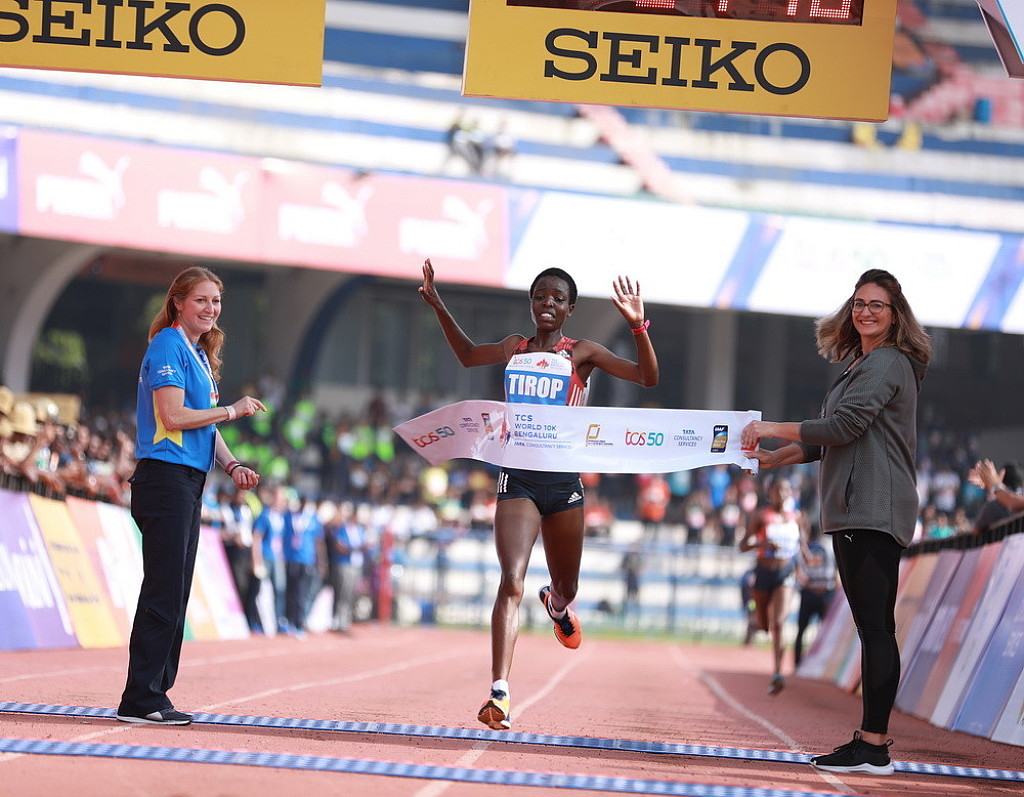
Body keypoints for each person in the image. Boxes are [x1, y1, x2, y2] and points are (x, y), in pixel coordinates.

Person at [419, 257, 658, 731]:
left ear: (570, 309)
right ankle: (499, 692)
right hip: (518, 480)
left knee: (567, 586)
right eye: (540, 296)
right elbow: (467, 354)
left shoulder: (582, 353)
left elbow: (647, 377)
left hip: (564, 484)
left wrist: (638, 326)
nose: (548, 303)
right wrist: (437, 304)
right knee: (511, 580)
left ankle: (558, 604)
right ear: (531, 304)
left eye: (557, 298)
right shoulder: (515, 347)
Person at [740, 268, 930, 776]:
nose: (865, 311)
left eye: (876, 305)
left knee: (876, 629)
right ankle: (870, 744)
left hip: (872, 509)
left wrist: (771, 427)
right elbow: (835, 436)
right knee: (873, 628)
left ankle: (873, 747)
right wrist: (779, 456)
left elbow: (844, 427)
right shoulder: (864, 363)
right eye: (859, 303)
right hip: (857, 508)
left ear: (895, 314)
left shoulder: (886, 363)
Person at [117, 266, 266, 726]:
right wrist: (232, 410)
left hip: (188, 481)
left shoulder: (198, 352)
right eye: (201, 300)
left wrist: (233, 465)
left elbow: (206, 426)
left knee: (176, 590)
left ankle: (155, 694)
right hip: (164, 477)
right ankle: (140, 698)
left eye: (216, 301)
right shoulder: (167, 344)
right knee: (164, 588)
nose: (210, 308)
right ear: (178, 302)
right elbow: (175, 416)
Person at [738, 476, 804, 695]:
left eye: (786, 490)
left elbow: (802, 546)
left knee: (779, 623)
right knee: (764, 626)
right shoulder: (760, 516)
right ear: (770, 494)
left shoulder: (797, 517)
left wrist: (807, 562)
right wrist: (763, 543)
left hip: (784, 573)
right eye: (778, 490)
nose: (782, 495)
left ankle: (777, 673)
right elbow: (742, 546)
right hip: (763, 573)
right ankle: (755, 621)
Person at [793, 524, 837, 668]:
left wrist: (808, 585)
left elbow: (798, 572)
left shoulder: (804, 550)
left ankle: (797, 662)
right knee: (826, 630)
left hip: (808, 593)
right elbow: (836, 572)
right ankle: (824, 661)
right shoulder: (829, 548)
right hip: (825, 592)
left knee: (801, 629)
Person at [968, 459, 1024, 532]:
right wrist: (994, 487)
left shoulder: (994, 505)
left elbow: (976, 531)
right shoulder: (994, 503)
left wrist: (994, 486)